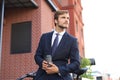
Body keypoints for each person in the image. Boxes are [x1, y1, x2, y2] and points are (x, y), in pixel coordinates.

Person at [34, 10, 80, 80]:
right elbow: (37, 56)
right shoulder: (44, 37)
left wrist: (58, 69)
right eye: (63, 18)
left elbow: (76, 63)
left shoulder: (72, 40)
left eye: (68, 18)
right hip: (42, 76)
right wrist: (42, 63)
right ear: (56, 21)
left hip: (61, 77)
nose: (67, 20)